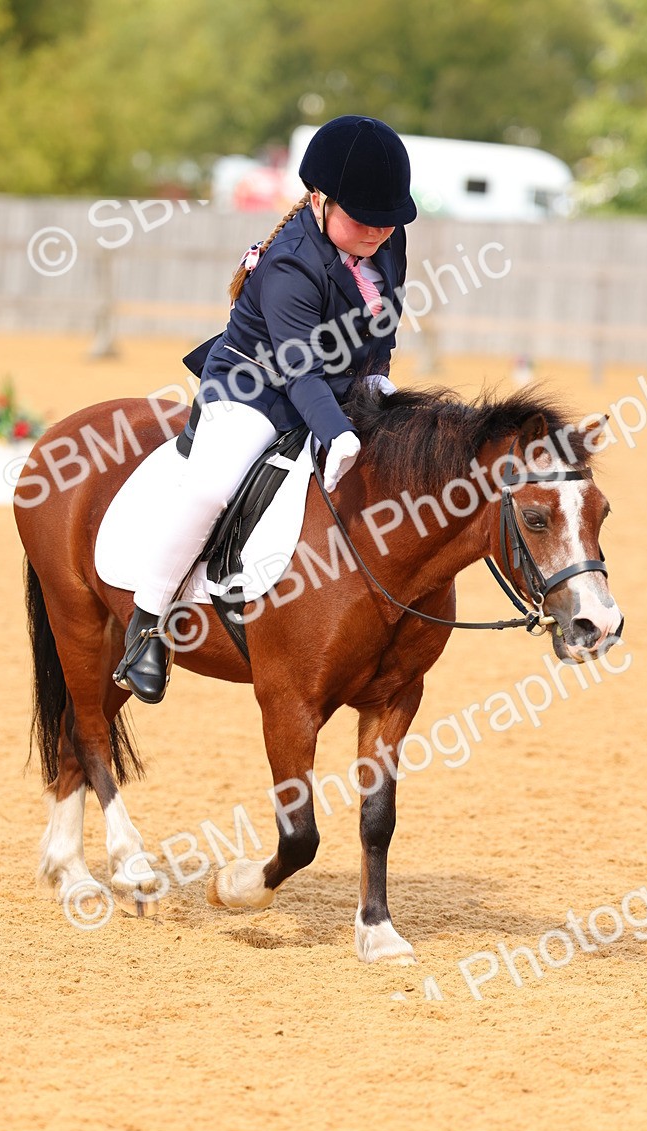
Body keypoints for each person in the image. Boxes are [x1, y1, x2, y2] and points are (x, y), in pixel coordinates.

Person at [115, 114, 417, 703]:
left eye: (389, 220)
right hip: (256, 388)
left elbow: (383, 324)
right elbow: (297, 367)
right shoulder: (290, 262)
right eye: (365, 219)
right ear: (318, 199)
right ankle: (147, 622)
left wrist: (378, 384)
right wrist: (338, 433)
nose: (379, 232)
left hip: (341, 383)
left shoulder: (386, 237)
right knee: (210, 490)